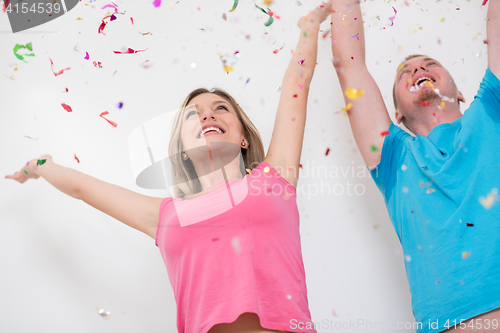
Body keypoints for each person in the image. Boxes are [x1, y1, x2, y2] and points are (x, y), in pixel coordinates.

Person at [5, 3, 333, 333]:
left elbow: (298, 80)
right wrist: (38, 165)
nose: (207, 115)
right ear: (183, 150)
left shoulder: (274, 178)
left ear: (244, 138)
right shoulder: (166, 216)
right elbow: (81, 188)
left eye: (221, 108)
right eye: (194, 114)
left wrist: (312, 22)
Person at [330, 0, 499, 332]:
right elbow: (349, 65)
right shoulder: (393, 157)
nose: (418, 71)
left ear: (461, 93)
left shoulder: (492, 112)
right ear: (397, 116)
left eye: (429, 64)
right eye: (406, 73)